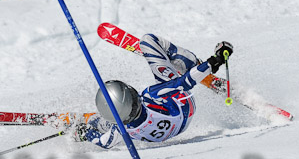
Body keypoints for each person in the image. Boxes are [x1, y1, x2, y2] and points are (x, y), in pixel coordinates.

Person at [73, 34, 233, 149]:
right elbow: (185, 83)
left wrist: (86, 134)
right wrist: (214, 61)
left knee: (103, 123)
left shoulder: (120, 128)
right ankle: (191, 63)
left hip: (174, 131)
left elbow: (104, 143)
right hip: (183, 106)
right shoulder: (152, 94)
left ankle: (89, 121)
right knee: (148, 40)